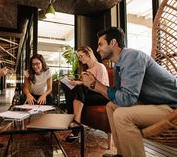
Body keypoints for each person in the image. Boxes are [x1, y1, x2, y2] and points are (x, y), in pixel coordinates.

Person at [81, 27, 177, 157]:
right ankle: (122, 153)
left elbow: (127, 99)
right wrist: (94, 85)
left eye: (100, 44)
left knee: (122, 115)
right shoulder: (119, 65)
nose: (97, 49)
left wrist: (96, 85)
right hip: (153, 104)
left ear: (113, 42)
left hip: (172, 107)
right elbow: (119, 96)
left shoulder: (132, 57)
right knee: (111, 106)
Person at [61, 46, 109, 142]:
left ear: (89, 54)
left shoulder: (100, 66)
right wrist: (77, 82)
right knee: (68, 87)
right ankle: (75, 127)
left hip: (101, 95)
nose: (80, 58)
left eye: (81, 56)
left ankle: (75, 128)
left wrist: (82, 84)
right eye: (79, 57)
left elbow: (102, 87)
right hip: (87, 95)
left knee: (78, 89)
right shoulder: (86, 71)